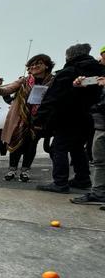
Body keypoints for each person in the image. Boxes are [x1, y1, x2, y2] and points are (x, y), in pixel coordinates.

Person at [34, 43, 105, 193]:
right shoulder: (99, 70)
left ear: (70, 56)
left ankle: (60, 182)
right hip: (90, 117)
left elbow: (52, 97)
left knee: (57, 148)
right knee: (77, 147)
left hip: (68, 117)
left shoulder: (68, 72)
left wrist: (39, 119)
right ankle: (82, 178)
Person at [0, 54, 55, 182]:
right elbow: (8, 88)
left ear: (47, 65)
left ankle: (25, 170)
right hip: (21, 117)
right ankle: (12, 170)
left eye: (38, 63)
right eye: (32, 65)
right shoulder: (24, 81)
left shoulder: (53, 81)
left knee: (31, 144)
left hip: (39, 118)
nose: (35, 66)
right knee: (15, 142)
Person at [70, 75, 105, 206]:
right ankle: (98, 193)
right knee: (99, 162)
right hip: (100, 125)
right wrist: (80, 87)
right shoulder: (100, 73)